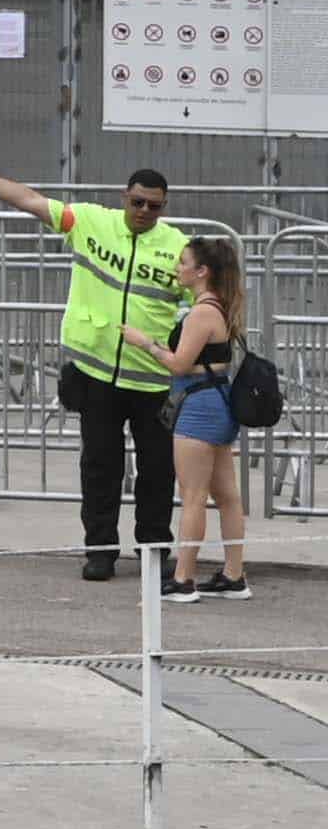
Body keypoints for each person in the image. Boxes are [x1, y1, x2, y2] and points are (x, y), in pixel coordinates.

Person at [0, 139, 194, 582]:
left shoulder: (179, 247)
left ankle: (154, 550)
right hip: (95, 373)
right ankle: (100, 551)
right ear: (123, 197)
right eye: (138, 202)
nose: (144, 212)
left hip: (152, 380)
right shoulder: (92, 223)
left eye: (154, 207)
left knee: (157, 471)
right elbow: (30, 200)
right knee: (100, 466)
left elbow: (206, 298)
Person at [170, 234, 259, 599]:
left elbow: (179, 363)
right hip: (219, 403)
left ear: (201, 271)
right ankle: (233, 574)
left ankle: (182, 578)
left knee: (193, 496)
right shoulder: (221, 306)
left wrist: (144, 344)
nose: (178, 269)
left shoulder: (202, 312)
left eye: (183, 263)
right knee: (227, 496)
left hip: (199, 408)